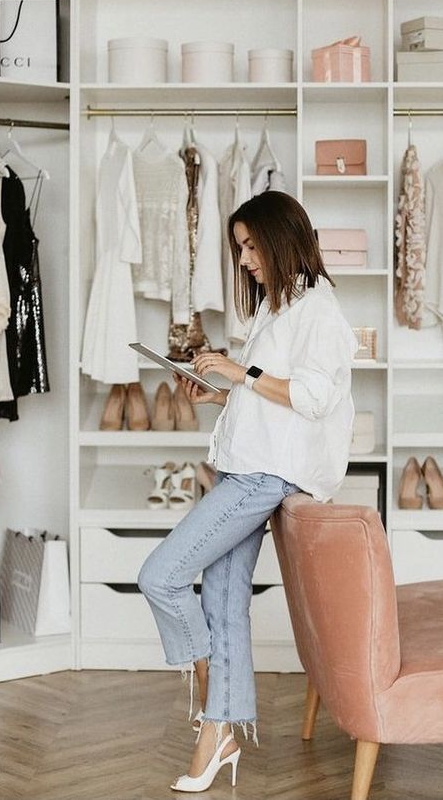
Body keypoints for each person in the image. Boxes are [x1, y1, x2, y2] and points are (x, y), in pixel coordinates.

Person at [138, 191, 356, 792]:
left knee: (161, 575)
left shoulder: (320, 311)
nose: (246, 260)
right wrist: (224, 393)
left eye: (252, 245)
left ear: (283, 238)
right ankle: (219, 733)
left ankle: (210, 682)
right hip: (247, 466)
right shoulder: (277, 308)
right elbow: (270, 398)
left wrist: (242, 373)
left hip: (267, 476)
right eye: (240, 249)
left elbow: (313, 397)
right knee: (224, 602)